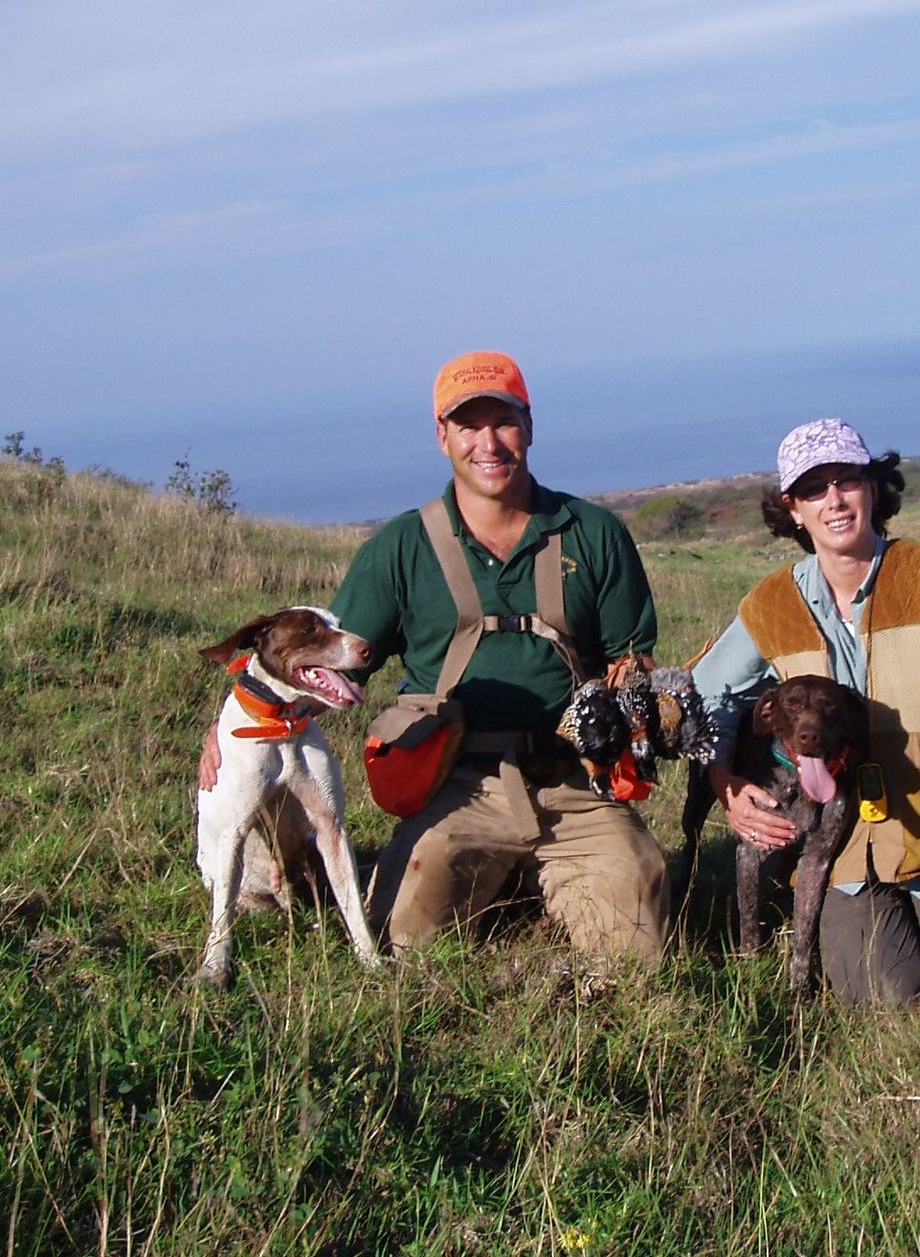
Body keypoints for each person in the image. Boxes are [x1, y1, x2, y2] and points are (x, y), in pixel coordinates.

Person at [204, 350, 668, 963]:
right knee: (404, 943)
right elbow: (316, 660)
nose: (489, 443)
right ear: (442, 437)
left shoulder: (594, 533)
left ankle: (554, 875)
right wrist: (233, 721)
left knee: (640, 949)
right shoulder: (400, 548)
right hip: (455, 783)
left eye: (503, 422)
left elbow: (633, 665)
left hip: (573, 779)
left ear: (529, 427)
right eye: (468, 425)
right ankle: (486, 877)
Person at [691, 417, 920, 1004]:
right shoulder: (771, 603)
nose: (834, 499)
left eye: (848, 479)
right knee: (886, 999)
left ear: (874, 488)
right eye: (813, 488)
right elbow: (708, 697)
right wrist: (724, 781)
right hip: (845, 844)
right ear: (793, 509)